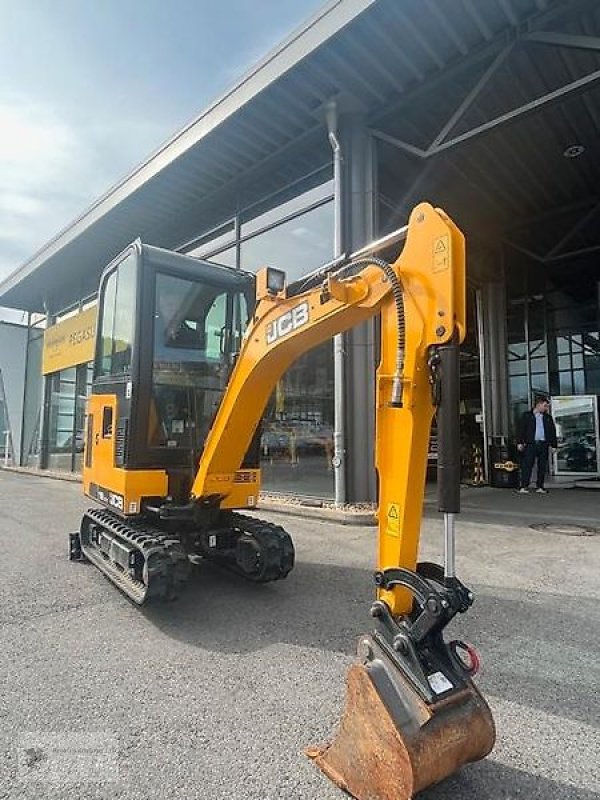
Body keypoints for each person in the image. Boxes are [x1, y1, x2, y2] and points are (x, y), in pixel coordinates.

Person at [516, 396, 557, 494]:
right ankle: (524, 486)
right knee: (527, 465)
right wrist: (519, 442)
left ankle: (540, 486)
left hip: (543, 444)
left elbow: (552, 431)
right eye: (545, 406)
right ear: (538, 405)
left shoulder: (547, 418)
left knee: (542, 466)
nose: (546, 408)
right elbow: (521, 430)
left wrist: (554, 445)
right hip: (531, 444)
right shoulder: (527, 416)